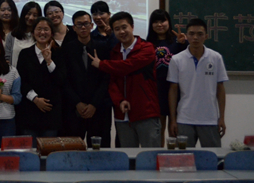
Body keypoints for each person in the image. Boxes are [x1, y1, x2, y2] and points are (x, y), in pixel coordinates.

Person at [88, 11, 161, 148]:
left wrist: (102, 64)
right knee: (127, 156)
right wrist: (120, 100)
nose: (121, 32)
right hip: (122, 115)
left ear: (132, 27)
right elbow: (112, 82)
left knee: (150, 155)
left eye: (124, 27)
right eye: (117, 29)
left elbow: (128, 66)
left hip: (146, 112)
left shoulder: (147, 48)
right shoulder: (114, 52)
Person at [168, 18, 228, 148]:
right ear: (186, 35)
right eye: (191, 34)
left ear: (206, 36)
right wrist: (173, 120)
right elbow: (173, 90)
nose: (195, 37)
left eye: (200, 34)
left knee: (213, 156)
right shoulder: (176, 59)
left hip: (210, 119)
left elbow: (220, 89)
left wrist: (221, 118)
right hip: (184, 118)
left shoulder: (216, 58)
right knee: (184, 158)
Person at [62, 11, 112, 148]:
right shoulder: (66, 49)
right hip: (74, 109)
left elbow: (106, 78)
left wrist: (94, 104)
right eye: (79, 24)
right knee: (72, 151)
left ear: (91, 25)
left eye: (86, 24)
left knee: (99, 151)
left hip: (99, 108)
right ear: (74, 28)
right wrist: (77, 103)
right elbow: (64, 80)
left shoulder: (102, 47)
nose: (83, 27)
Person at [16, 17, 66, 143]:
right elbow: (21, 81)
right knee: (30, 151)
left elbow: (61, 80)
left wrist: (49, 61)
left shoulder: (60, 53)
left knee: (49, 151)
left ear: (52, 33)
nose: (42, 32)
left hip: (51, 112)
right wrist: (35, 99)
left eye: (46, 29)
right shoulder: (25, 54)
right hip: (29, 111)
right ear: (33, 32)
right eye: (39, 29)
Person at [146, 9, 187, 146]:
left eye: (162, 21)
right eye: (155, 22)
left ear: (169, 22)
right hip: (156, 90)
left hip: (176, 89)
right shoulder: (147, 44)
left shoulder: (178, 41)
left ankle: (174, 156)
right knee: (158, 130)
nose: (159, 25)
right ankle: (159, 154)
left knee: (175, 129)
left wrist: (184, 43)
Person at [4, 1, 41, 67]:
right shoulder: (12, 35)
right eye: (28, 14)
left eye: (35, 15)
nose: (31, 18)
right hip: (14, 73)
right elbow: (7, 58)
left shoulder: (41, 36)